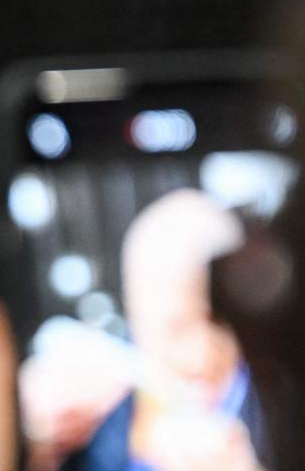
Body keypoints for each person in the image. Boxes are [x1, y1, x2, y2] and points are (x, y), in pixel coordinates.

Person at [20, 190, 267, 471]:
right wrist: (32, 445)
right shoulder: (98, 397)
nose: (199, 353)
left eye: (217, 322)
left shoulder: (279, 394)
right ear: (135, 313)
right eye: (173, 330)